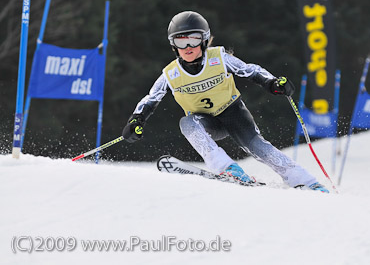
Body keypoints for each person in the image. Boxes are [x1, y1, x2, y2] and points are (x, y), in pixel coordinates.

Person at [122, 11, 329, 193]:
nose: (187, 47)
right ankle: (226, 168)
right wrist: (136, 120)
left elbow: (250, 70)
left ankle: (307, 182)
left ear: (204, 40)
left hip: (233, 114)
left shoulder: (219, 57)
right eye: (180, 41)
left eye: (193, 40)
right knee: (187, 124)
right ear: (173, 45)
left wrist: (272, 83)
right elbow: (151, 98)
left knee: (259, 148)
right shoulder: (171, 73)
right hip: (205, 122)